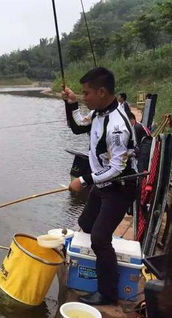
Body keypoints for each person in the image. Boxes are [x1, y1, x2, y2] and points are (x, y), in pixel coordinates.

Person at [62, 67, 138, 305]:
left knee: (100, 238)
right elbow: (77, 127)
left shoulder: (117, 127)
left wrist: (83, 180)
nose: (85, 97)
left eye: (86, 93)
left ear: (102, 92)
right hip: (103, 183)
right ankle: (91, 265)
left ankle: (108, 294)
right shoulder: (98, 113)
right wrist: (72, 103)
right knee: (85, 223)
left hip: (119, 187)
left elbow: (118, 168)